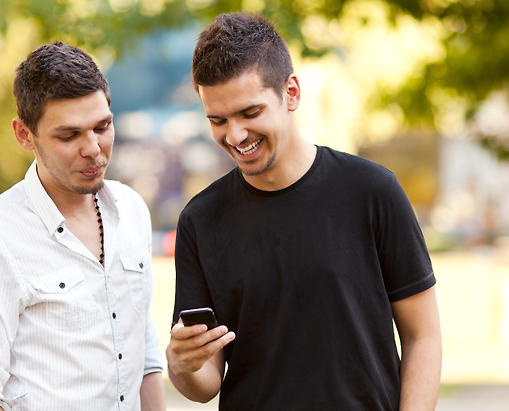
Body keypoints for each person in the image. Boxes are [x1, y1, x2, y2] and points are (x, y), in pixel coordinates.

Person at [166, 12, 442, 411]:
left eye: (250, 113)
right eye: (218, 120)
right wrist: (182, 365)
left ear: (291, 93)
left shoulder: (373, 191)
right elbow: (205, 383)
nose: (235, 135)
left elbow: (423, 336)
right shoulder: (200, 219)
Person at [0, 41, 165, 411]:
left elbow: (145, 353)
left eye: (103, 126)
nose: (93, 148)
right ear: (24, 134)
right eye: (69, 135)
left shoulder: (131, 209)